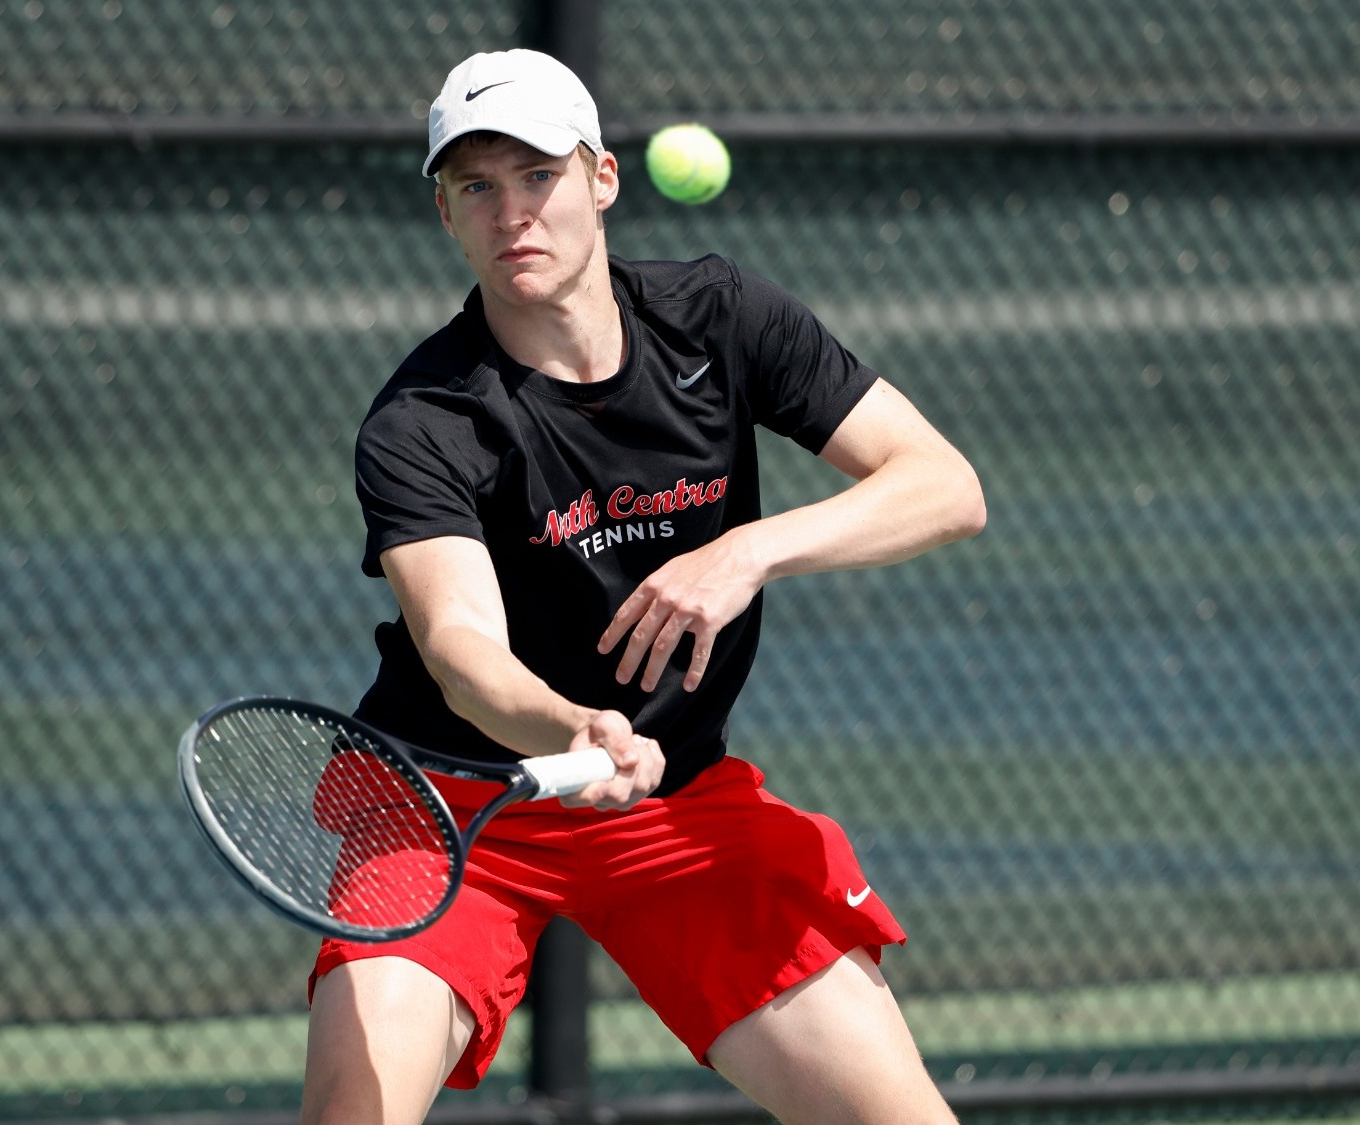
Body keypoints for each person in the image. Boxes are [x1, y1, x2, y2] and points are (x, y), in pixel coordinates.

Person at [303, 47, 986, 1125]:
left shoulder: (719, 319)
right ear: (444, 215)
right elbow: (460, 646)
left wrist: (748, 550)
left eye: (536, 176)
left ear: (602, 180)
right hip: (452, 816)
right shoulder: (423, 420)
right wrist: (571, 727)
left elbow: (943, 486)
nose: (510, 212)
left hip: (673, 807)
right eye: (474, 187)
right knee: (353, 1112)